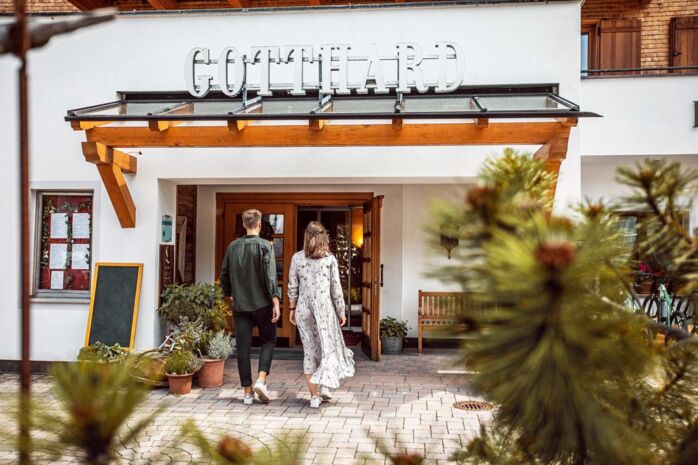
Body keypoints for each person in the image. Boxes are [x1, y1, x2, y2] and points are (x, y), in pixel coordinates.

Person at [288, 221, 355, 408]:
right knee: (327, 347)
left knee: (310, 352)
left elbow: (292, 286)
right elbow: (336, 288)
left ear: (306, 236)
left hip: (303, 309)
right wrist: (341, 310)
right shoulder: (329, 260)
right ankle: (324, 386)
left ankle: (315, 396)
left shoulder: (297, 258)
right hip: (325, 310)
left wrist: (292, 309)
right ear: (323, 237)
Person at [220, 209, 280, 405]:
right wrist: (276, 299)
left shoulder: (232, 247)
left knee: (243, 348)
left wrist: (229, 293)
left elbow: (224, 274)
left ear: (244, 225)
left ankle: (247, 392)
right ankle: (261, 380)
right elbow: (271, 276)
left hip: (241, 304)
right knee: (269, 339)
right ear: (260, 224)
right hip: (262, 303)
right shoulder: (265, 246)